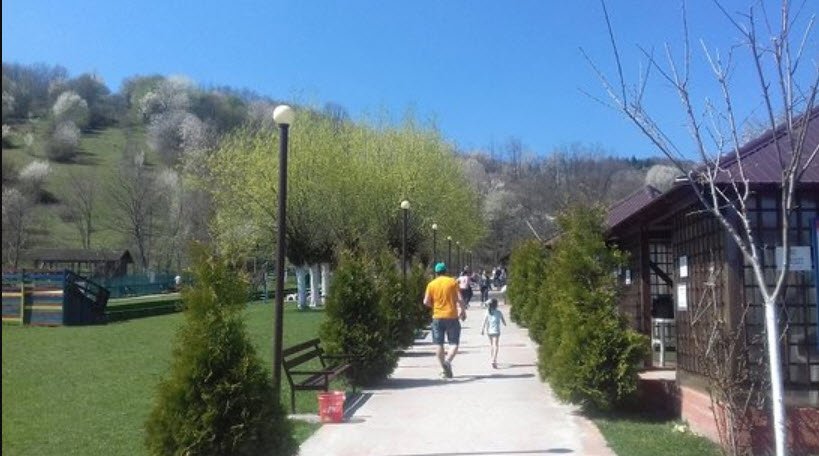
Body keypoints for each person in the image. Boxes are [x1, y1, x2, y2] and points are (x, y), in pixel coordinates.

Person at [423, 262, 467, 379]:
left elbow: (426, 302)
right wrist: (463, 311)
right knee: (454, 343)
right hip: (452, 316)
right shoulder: (452, 282)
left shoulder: (431, 284)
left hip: (437, 317)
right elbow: (460, 299)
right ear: (445, 271)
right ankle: (447, 362)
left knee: (439, 344)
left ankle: (443, 370)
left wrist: (434, 306)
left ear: (436, 273)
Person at [480, 298, 507, 369]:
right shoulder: (499, 312)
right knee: (496, 345)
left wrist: (482, 330)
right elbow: (503, 321)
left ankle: (492, 359)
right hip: (496, 331)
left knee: (491, 345)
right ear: (496, 305)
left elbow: (484, 321)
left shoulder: (487, 312)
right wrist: (504, 323)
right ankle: (494, 359)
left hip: (489, 331)